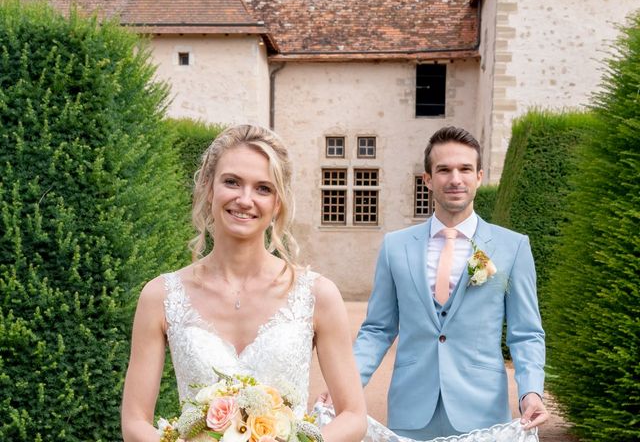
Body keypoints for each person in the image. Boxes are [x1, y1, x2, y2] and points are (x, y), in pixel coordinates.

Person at [121, 124, 367, 442]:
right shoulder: (161, 296)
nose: (245, 199)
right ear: (209, 188)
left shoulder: (318, 295)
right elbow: (134, 422)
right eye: (232, 182)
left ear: (278, 202)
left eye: (263, 188)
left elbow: (353, 415)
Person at [351, 126, 548, 439]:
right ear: (428, 179)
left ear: (479, 176)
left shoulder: (513, 247)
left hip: (482, 413)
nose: (455, 179)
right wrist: (344, 387)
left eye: (465, 169)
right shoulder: (395, 246)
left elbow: (526, 334)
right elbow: (377, 329)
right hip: (410, 410)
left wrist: (531, 392)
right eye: (444, 169)